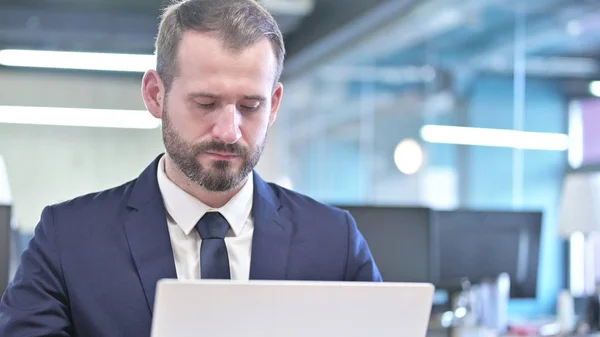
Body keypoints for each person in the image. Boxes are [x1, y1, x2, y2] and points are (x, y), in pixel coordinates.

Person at [0, 0, 382, 336]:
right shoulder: (68, 240)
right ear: (155, 95)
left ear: (275, 103)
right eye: (205, 102)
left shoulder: (335, 242)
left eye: (250, 106)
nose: (229, 132)